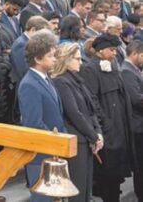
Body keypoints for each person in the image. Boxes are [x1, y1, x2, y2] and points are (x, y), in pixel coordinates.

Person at [81, 33, 135, 202]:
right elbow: (92, 100)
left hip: (120, 126)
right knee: (108, 174)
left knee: (116, 174)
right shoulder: (90, 69)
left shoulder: (112, 65)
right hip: (109, 129)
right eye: (112, 50)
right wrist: (105, 123)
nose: (114, 53)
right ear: (101, 50)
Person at [18, 29, 66, 202]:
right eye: (51, 56)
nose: (55, 59)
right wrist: (55, 141)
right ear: (38, 59)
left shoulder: (45, 78)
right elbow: (33, 123)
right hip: (41, 155)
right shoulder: (29, 84)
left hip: (53, 151)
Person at [52, 43, 103, 202]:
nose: (81, 62)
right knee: (78, 189)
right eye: (77, 59)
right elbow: (74, 113)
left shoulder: (78, 80)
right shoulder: (61, 82)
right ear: (66, 60)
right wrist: (93, 135)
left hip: (86, 139)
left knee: (86, 188)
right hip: (76, 140)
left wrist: (97, 133)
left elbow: (90, 109)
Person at [121, 40, 143, 201]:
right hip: (138, 126)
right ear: (134, 53)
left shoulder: (134, 69)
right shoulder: (127, 72)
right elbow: (136, 100)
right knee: (140, 167)